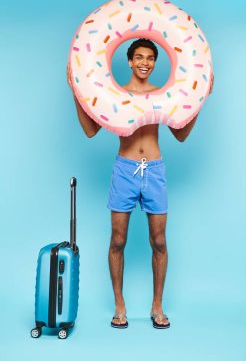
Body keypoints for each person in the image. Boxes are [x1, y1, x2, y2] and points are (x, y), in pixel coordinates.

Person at [67, 38, 214, 329]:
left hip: (154, 171)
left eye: (149, 58)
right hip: (125, 169)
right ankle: (119, 305)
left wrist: (200, 99)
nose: (144, 63)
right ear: (130, 61)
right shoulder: (114, 93)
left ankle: (156, 305)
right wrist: (76, 90)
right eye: (139, 57)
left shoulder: (164, 94)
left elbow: (181, 136)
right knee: (118, 240)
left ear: (155, 62)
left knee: (159, 241)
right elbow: (89, 131)